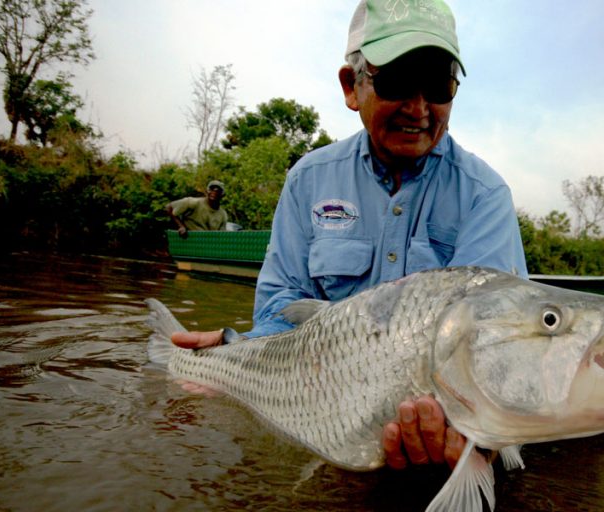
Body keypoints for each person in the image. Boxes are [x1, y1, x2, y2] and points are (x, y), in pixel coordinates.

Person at [172, 0, 527, 470]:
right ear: (351, 87)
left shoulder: (485, 196)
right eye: (398, 81)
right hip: (320, 420)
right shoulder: (308, 180)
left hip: (438, 436)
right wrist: (237, 350)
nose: (419, 108)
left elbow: (497, 346)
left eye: (439, 84)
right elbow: (282, 312)